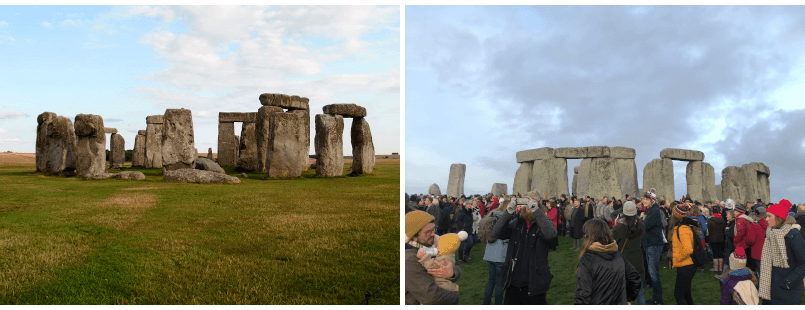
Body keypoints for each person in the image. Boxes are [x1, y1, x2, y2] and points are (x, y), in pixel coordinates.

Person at [490, 197, 557, 305]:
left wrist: (537, 212)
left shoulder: (544, 224)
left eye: (532, 203)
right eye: (526, 204)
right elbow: (495, 233)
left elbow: (550, 235)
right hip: (513, 281)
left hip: (536, 281)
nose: (528, 206)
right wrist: (508, 212)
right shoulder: (516, 223)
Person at [574, 218, 641, 305]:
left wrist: (627, 298)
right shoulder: (618, 256)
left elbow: (582, 295)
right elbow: (635, 278)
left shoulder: (587, 260)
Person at [405, 210, 461, 305]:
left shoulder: (436, 242)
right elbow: (432, 297)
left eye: (433, 229)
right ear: (414, 235)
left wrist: (452, 273)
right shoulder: (409, 258)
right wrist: (455, 295)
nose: (433, 234)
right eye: (428, 232)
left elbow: (456, 263)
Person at [758, 199, 805, 304]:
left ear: (778, 218)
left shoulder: (793, 235)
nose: (766, 219)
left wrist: (788, 282)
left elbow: (803, 262)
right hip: (769, 291)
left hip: (787, 293)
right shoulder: (770, 234)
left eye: (769, 216)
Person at [612, 201, 646, 305]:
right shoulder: (641, 225)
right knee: (640, 293)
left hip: (624, 265)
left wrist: (615, 224)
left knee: (624, 296)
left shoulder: (619, 228)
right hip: (638, 262)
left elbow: (610, 241)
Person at [671, 202, 699, 305]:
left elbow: (688, 250)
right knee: (686, 294)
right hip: (685, 264)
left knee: (678, 295)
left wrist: (677, 258)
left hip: (686, 265)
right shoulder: (682, 226)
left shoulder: (682, 229)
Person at [640, 190, 665, 305]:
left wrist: (640, 219)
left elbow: (645, 226)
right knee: (652, 272)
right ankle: (656, 298)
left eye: (646, 199)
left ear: (652, 200)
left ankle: (658, 300)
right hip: (651, 244)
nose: (644, 201)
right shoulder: (651, 210)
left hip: (654, 244)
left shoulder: (654, 211)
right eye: (644, 199)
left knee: (653, 273)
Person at [482, 202, 508, 305]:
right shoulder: (505, 219)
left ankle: (486, 302)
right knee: (499, 284)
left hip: (489, 252)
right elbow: (506, 237)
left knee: (490, 281)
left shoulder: (491, 215)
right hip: (500, 254)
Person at [707, 207, 727, 273]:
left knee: (715, 253)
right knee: (720, 252)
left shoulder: (710, 220)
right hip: (721, 238)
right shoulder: (722, 219)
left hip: (713, 238)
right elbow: (724, 228)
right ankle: (720, 267)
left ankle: (716, 267)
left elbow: (709, 230)